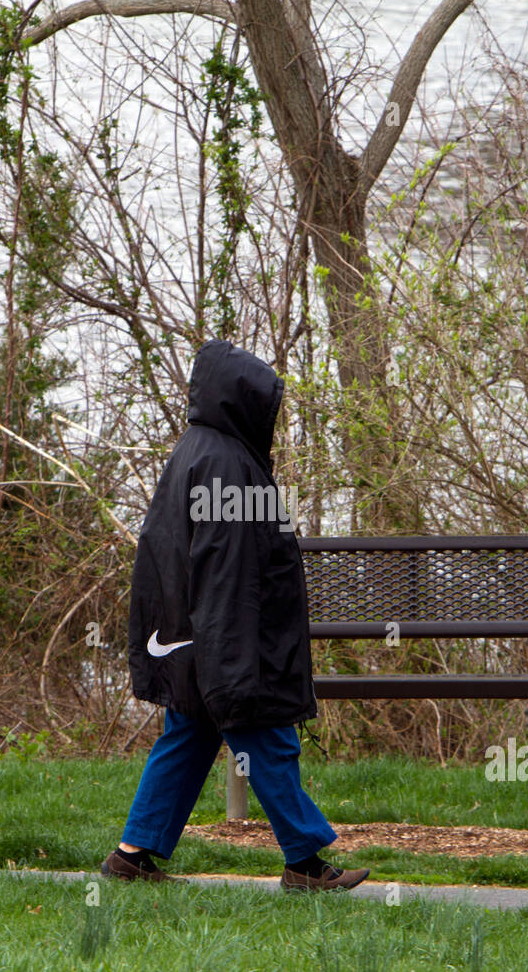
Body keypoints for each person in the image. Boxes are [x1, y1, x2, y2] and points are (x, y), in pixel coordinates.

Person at [104, 338, 369, 892]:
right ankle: (305, 863)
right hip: (225, 641)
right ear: (242, 401)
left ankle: (132, 857)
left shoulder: (195, 450)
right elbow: (226, 575)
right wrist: (234, 662)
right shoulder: (225, 464)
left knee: (188, 734)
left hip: (187, 634)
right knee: (266, 736)